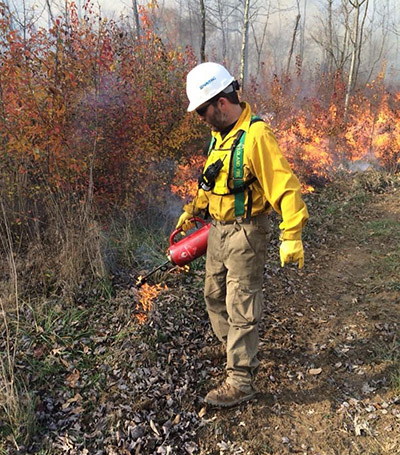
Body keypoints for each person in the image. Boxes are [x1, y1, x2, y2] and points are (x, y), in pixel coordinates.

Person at [176, 62, 309, 407]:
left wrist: (291, 233)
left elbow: (286, 187)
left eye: (203, 111)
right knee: (214, 295)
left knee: (241, 306)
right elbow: (212, 183)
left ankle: (241, 380)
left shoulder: (256, 136)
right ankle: (236, 350)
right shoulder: (219, 137)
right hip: (217, 232)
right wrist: (191, 212)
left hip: (246, 233)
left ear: (221, 102)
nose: (202, 119)